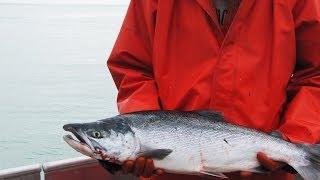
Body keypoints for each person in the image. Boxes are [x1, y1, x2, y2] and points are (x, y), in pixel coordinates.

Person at [103, 0, 320, 179]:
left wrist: (291, 137)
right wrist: (148, 134)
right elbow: (133, 69)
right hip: (171, 173)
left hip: (264, 173)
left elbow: (316, 75)